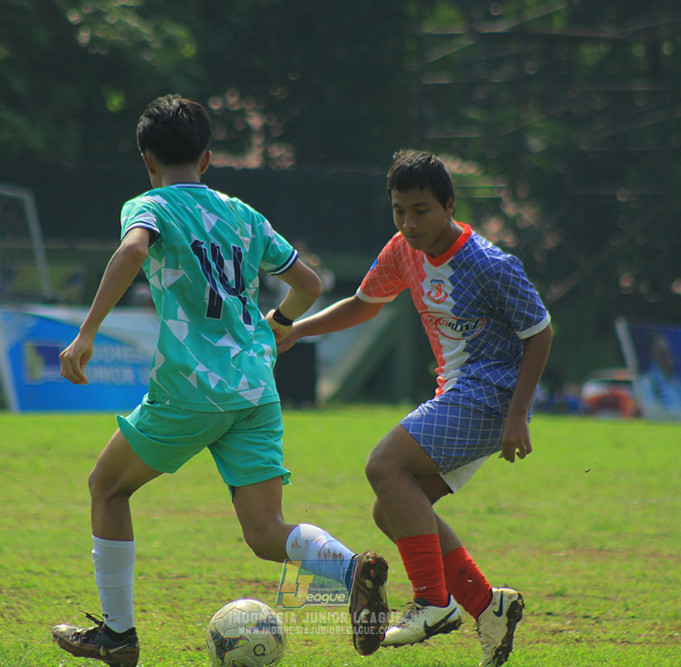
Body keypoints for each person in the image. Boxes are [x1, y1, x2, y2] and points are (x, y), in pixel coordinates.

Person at [50, 95, 389, 667]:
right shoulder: (243, 214)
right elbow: (308, 282)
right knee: (265, 531)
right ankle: (350, 568)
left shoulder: (150, 204)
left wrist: (87, 332)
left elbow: (133, 248)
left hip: (190, 390)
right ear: (207, 160)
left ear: (146, 159)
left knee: (107, 488)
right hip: (255, 390)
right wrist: (280, 324)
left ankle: (118, 635)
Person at [277, 150, 553, 667]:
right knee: (394, 510)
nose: (409, 223)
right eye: (400, 210)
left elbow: (539, 334)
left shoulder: (490, 264)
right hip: (458, 396)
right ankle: (485, 605)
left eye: (421, 210)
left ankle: (432, 601)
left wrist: (518, 414)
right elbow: (364, 303)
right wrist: (296, 329)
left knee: (384, 465)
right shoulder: (404, 250)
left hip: (492, 398)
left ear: (449, 205)